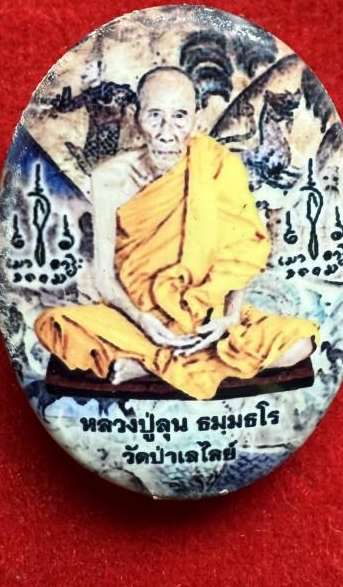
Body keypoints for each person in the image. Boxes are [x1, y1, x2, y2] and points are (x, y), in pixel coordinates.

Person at [34, 67, 319, 400]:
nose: (167, 133)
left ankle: (146, 365)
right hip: (136, 317)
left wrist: (228, 320)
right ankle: (167, 357)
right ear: (137, 117)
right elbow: (104, 278)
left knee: (300, 343)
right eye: (155, 116)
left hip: (205, 316)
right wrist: (142, 319)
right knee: (57, 325)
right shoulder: (108, 179)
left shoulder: (215, 164)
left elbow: (239, 253)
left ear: (197, 119)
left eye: (179, 116)